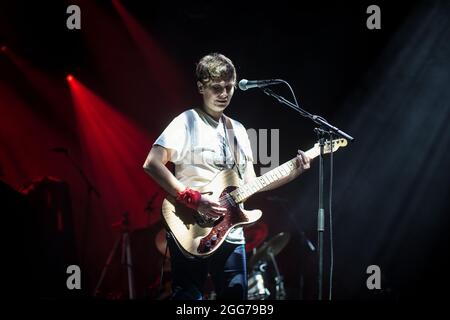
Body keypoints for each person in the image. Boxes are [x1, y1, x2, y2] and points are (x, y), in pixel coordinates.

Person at [143, 53, 310, 300]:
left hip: (231, 232)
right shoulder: (186, 121)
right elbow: (152, 163)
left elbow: (252, 183)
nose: (224, 94)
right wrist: (194, 198)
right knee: (189, 299)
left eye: (229, 87)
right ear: (201, 86)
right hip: (192, 227)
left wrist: (293, 171)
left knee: (236, 298)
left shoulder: (238, 130)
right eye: (217, 88)